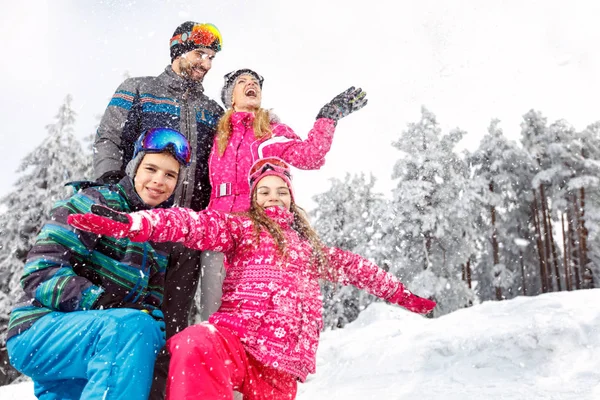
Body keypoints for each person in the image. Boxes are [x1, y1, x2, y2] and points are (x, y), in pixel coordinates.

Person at [68, 157, 437, 400]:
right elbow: (191, 224)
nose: (273, 197)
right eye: (264, 192)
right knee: (194, 343)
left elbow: (363, 271)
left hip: (281, 364)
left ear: (291, 199)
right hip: (234, 342)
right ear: (255, 200)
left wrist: (405, 296)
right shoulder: (240, 228)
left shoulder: (313, 252)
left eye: (281, 191)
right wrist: (135, 222)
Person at [7, 128, 192, 400]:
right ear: (134, 168)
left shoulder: (158, 235)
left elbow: (150, 307)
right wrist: (98, 299)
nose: (158, 181)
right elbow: (40, 272)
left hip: (94, 344)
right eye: (151, 169)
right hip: (41, 328)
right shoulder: (96, 203)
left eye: (170, 175)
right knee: (132, 328)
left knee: (148, 329)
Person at [92, 21, 225, 398]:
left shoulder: (212, 111)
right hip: (138, 227)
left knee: (173, 328)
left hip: (186, 235)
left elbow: (228, 157)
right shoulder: (138, 89)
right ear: (178, 50)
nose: (206, 63)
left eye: (211, 57)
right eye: (200, 53)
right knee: (128, 320)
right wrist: (111, 197)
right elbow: (109, 139)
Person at [198, 68, 369, 319]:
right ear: (229, 97)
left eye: (255, 82)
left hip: (259, 233)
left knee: (255, 308)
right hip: (218, 231)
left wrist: (327, 118)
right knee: (212, 309)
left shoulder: (272, 133)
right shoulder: (216, 135)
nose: (251, 85)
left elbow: (311, 156)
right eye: (242, 82)